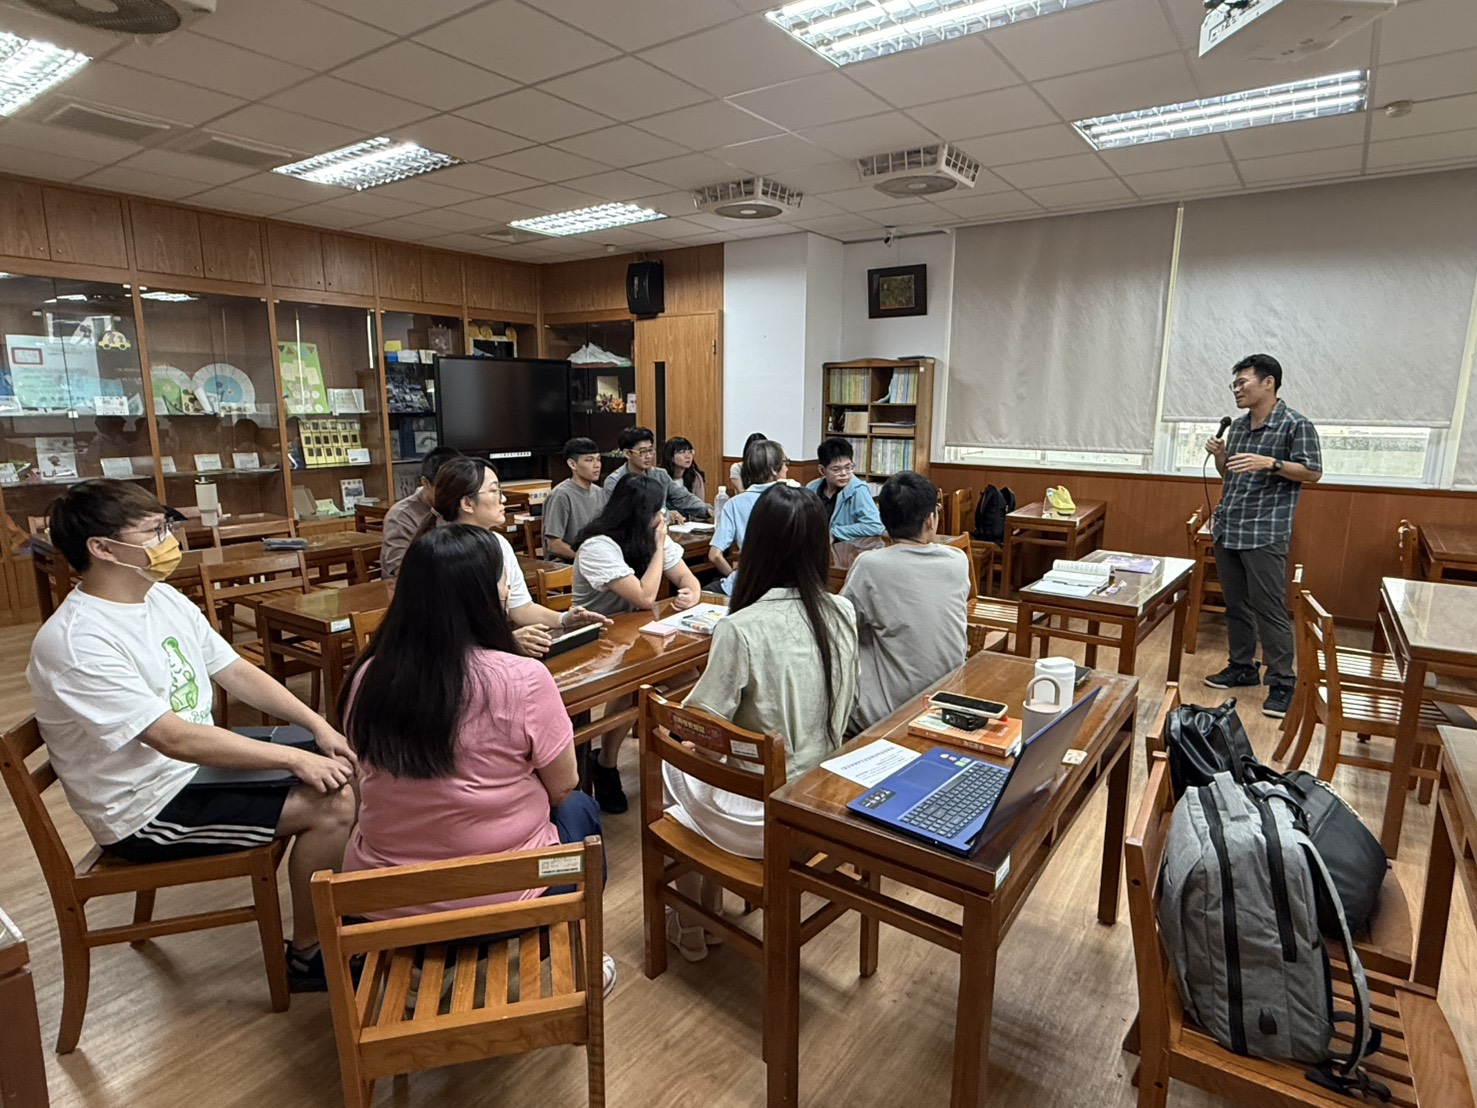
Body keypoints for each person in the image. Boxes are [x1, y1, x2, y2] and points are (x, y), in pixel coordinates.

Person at [26, 480, 356, 991]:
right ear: (102, 548)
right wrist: (295, 760)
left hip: (190, 771)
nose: (169, 541)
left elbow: (235, 670)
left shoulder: (160, 597)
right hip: (145, 808)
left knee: (348, 762)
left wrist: (318, 726)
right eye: (154, 531)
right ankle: (308, 954)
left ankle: (343, 909)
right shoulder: (76, 640)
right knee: (333, 804)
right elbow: (172, 738)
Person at [339, 524, 615, 995]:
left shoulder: (367, 675)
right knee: (581, 809)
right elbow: (563, 785)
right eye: (503, 579)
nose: (507, 589)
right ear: (483, 595)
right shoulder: (523, 678)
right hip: (505, 898)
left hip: (383, 901)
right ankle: (575, 953)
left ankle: (423, 970)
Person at [663, 483, 858, 960]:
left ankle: (693, 920)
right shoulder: (843, 611)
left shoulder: (740, 627)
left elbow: (700, 728)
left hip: (766, 815)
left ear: (756, 546)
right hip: (826, 793)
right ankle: (706, 908)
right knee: (703, 762)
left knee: (672, 763)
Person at [572, 473, 703, 812]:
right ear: (638, 514)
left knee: (689, 678)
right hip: (594, 641)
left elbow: (687, 578)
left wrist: (691, 593)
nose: (662, 516)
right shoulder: (598, 546)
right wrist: (659, 545)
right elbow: (645, 597)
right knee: (636, 686)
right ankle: (606, 764)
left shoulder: (647, 533)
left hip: (637, 636)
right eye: (657, 510)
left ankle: (677, 752)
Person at [1204, 353, 1322, 719]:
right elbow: (1230, 476)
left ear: (1268, 383)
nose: (1236, 390)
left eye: (1243, 383)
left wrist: (1271, 463)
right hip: (1229, 526)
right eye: (1234, 384)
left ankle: (1283, 682)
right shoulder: (1239, 427)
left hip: (1265, 531)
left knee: (1269, 608)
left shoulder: (1295, 425)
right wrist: (1222, 456)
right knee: (1236, 604)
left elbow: (1313, 472)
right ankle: (1242, 666)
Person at [425, 456, 610, 659]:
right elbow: (439, 634)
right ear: (467, 503)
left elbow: (521, 607)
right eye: (495, 491)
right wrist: (508, 641)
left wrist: (564, 619)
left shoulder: (499, 543)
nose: (503, 499)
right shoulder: (440, 553)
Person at [842, 472, 969, 735]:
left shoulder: (870, 565)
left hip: (889, 713)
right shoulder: (957, 561)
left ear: (884, 520)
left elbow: (841, 621)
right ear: (930, 520)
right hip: (948, 701)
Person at [708, 439, 788, 596]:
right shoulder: (792, 499)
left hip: (744, 587)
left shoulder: (734, 503)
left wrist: (735, 577)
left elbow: (714, 555)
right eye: (785, 463)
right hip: (782, 588)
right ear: (774, 470)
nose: (787, 468)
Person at [380, 446, 460, 579]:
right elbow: (399, 569)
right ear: (426, 483)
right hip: (413, 587)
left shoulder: (462, 505)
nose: (455, 494)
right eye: (447, 488)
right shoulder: (401, 516)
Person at [603, 426, 710, 522]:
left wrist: (707, 510)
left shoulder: (660, 475)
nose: (648, 456)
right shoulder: (615, 481)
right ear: (627, 453)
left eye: (650, 450)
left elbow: (682, 497)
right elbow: (623, 515)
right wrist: (667, 515)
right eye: (643, 452)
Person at [542, 437, 607, 563]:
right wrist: (588, 558)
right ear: (572, 464)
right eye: (589, 460)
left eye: (598, 459)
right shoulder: (561, 495)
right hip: (567, 564)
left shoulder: (600, 492)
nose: (597, 465)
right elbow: (554, 545)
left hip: (595, 558)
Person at [807, 437, 884, 541]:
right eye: (836, 469)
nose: (844, 473)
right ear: (822, 470)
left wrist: (835, 533)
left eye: (848, 467)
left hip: (844, 547)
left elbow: (874, 526)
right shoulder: (812, 488)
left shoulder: (858, 490)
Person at [663, 436, 706, 505]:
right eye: (682, 452)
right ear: (671, 457)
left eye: (690, 452)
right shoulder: (661, 476)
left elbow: (700, 504)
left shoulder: (695, 477)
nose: (688, 456)